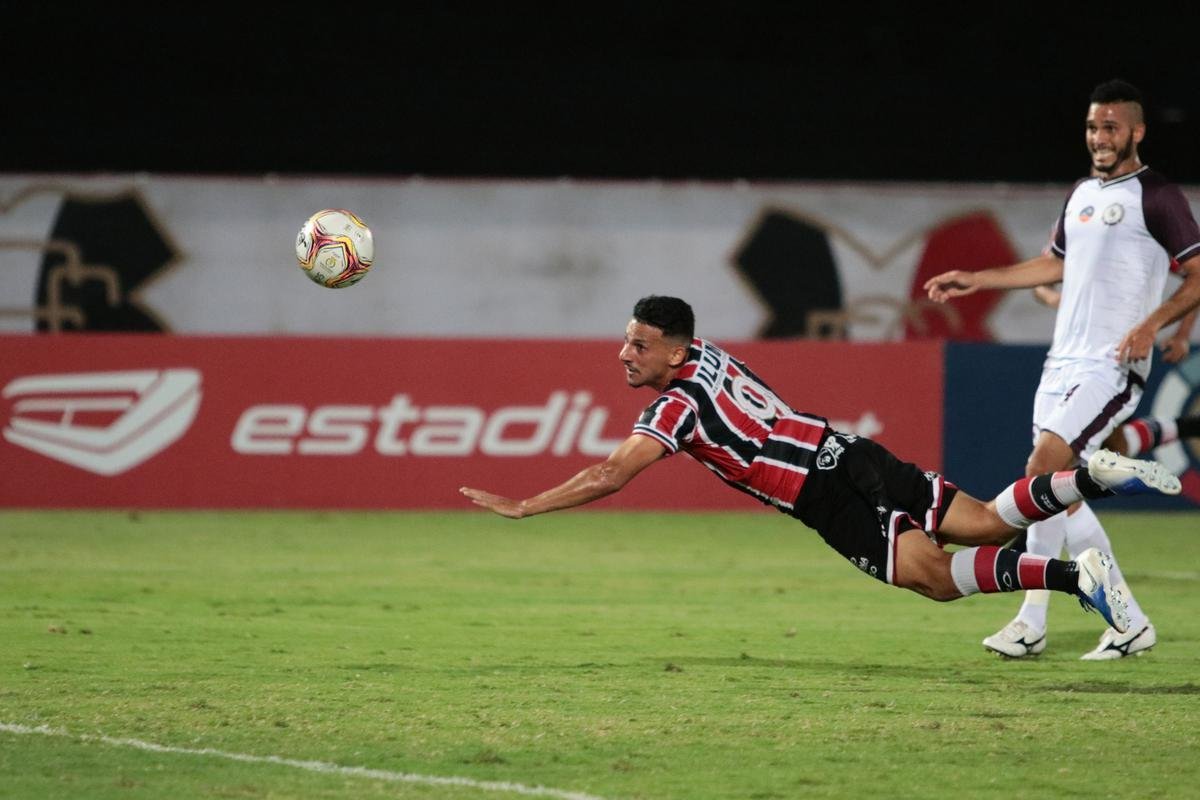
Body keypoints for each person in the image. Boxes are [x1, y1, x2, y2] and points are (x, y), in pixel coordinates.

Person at [461, 295, 1183, 643]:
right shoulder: (711, 354)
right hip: (850, 448)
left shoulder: (677, 407)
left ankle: (1069, 576)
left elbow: (611, 474)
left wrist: (528, 505)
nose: (625, 355)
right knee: (992, 523)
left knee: (934, 580)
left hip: (822, 493)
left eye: (639, 346)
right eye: (626, 341)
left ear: (675, 354)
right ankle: (1092, 477)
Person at [924, 79, 1200, 660]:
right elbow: (1051, 264)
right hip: (1061, 362)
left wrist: (1155, 326)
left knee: (1041, 471)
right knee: (1054, 494)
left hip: (1112, 364)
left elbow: (1197, 274)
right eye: (1093, 127)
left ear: (1137, 132)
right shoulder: (1079, 195)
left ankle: (1065, 619)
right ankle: (1094, 621)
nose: (1100, 138)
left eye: (1111, 128)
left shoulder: (1158, 196)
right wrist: (979, 279)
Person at [1035, 284, 1200, 459]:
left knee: (1102, 446)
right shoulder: (1075, 257)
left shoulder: (1145, 258)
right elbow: (1039, 284)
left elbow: (1195, 275)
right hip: (1069, 359)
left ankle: (1185, 427)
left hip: (1112, 360)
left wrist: (1182, 333)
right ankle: (1184, 427)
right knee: (1100, 449)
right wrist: (1054, 298)